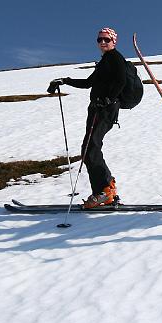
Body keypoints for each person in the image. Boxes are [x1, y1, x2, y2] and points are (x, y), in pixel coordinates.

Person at [48, 27, 127, 209]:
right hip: (97, 109)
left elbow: (121, 80)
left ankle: (105, 191)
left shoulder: (115, 58)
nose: (102, 43)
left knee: (91, 148)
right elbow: (88, 83)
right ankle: (106, 190)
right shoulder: (104, 62)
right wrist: (65, 80)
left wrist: (108, 99)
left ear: (113, 41)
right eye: (99, 40)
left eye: (106, 39)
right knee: (88, 149)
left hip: (105, 109)